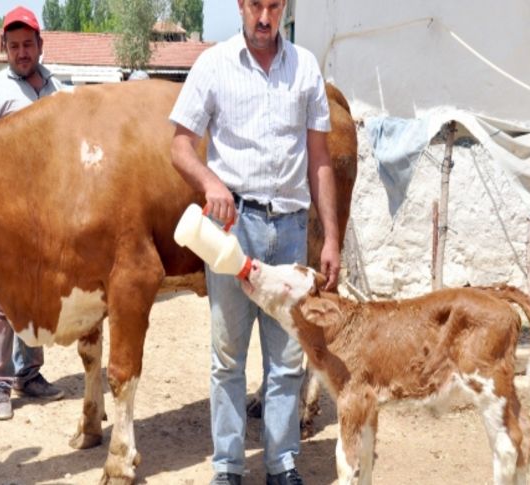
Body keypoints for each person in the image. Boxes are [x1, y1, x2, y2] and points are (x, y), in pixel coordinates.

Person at [169, 1, 340, 483]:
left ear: (282, 7)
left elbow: (320, 158)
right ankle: (227, 468)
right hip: (233, 228)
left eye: (273, 5)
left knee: (287, 358)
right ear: (241, 6)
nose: (263, 16)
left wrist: (330, 238)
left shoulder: (305, 67)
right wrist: (210, 183)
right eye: (254, 5)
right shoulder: (214, 65)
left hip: (289, 227)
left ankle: (281, 465)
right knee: (227, 355)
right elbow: (180, 145)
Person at [0, 6, 65, 421]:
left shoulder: (59, 89)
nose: (22, 53)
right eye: (14, 46)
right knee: (1, 299)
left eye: (28, 45)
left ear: (41, 45)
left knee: (37, 292)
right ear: (3, 48)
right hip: (5, 212)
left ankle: (29, 372)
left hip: (48, 210)